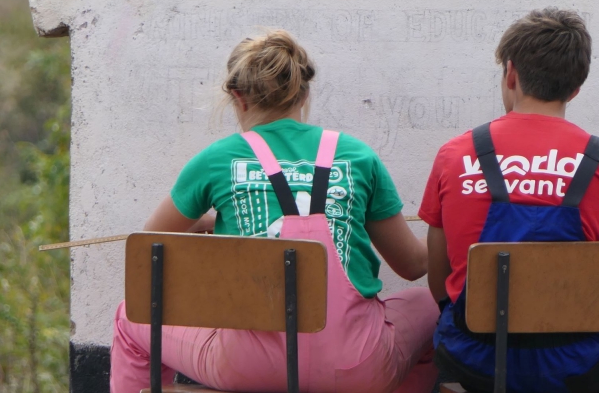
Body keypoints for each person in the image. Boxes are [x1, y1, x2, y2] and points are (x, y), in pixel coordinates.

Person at [109, 29, 440, 393]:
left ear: (238, 97)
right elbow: (413, 266)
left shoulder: (217, 159)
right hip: (356, 365)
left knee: (130, 315)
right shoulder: (357, 156)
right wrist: (451, 228)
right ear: (304, 92)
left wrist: (208, 224)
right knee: (432, 306)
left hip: (245, 366)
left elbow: (148, 248)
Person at [419, 8, 599, 393]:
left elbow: (439, 282)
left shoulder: (454, 155)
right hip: (582, 365)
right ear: (575, 88)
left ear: (511, 73)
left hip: (474, 359)